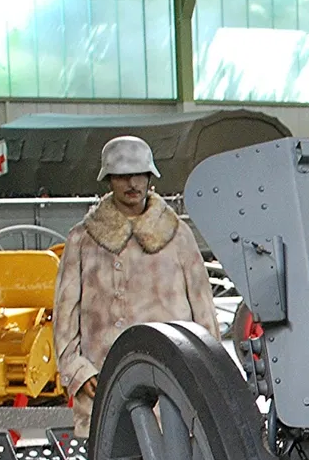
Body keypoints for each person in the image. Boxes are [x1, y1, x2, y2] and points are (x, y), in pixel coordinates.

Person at [53, 136, 220, 439]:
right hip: (104, 380)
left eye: (139, 174)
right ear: (109, 180)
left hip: (171, 378)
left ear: (150, 178)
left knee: (175, 459)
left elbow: (204, 310)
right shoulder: (83, 239)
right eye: (121, 176)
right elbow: (65, 313)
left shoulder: (177, 236)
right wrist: (78, 370)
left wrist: (205, 370)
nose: (132, 183)